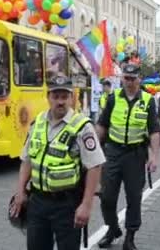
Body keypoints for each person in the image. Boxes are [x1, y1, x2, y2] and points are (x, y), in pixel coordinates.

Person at [9, 75, 105, 250]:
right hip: (37, 201)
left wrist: (86, 205)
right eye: (56, 96)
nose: (60, 102)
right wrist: (20, 191)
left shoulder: (82, 126)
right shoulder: (37, 122)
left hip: (67, 204)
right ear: (48, 97)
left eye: (64, 96)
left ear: (71, 98)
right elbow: (27, 160)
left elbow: (95, 166)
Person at [95, 64, 160, 250]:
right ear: (122, 78)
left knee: (134, 197)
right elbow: (102, 125)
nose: (130, 82)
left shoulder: (148, 100)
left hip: (135, 155)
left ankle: (130, 237)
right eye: (126, 78)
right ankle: (113, 228)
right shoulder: (113, 98)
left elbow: (154, 130)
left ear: (139, 79)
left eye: (133, 78)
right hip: (113, 152)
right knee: (106, 196)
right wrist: (92, 152)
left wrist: (154, 156)